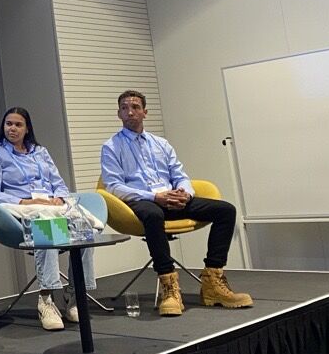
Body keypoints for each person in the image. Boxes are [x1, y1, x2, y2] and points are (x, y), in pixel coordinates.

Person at [100, 90, 252, 316]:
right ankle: (169, 286)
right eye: (124, 108)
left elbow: (179, 175)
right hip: (141, 201)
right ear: (118, 114)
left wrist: (185, 194)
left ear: (145, 112)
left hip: (173, 198)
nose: (130, 112)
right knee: (153, 215)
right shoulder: (111, 147)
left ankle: (213, 281)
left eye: (135, 107)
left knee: (226, 211)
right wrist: (155, 197)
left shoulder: (161, 144)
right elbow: (113, 186)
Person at [0, 107, 96, 331]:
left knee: (84, 229)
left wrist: (58, 199)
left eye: (18, 125)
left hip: (50, 206)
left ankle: (75, 295)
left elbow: (59, 183)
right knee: (49, 228)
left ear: (27, 129)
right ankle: (46, 299)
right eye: (8, 124)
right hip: (20, 211)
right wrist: (25, 201)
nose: (12, 128)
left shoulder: (40, 152)